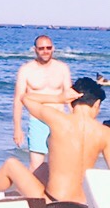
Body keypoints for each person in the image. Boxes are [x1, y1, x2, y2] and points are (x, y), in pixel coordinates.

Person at [0, 76, 110, 205]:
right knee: (44, 168)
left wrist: (59, 98)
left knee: (11, 165)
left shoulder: (58, 119)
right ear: (96, 104)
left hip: (53, 202)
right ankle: (13, 196)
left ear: (71, 100)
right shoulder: (104, 132)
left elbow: (25, 98)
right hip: (82, 205)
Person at [13, 34, 72, 172]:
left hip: (59, 120)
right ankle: (33, 186)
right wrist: (17, 128)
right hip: (37, 121)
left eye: (48, 48)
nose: (45, 51)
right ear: (35, 50)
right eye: (41, 48)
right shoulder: (26, 70)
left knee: (59, 164)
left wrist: (77, 120)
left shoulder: (62, 68)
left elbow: (69, 97)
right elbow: (18, 100)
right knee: (36, 166)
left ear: (53, 48)